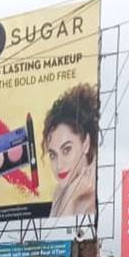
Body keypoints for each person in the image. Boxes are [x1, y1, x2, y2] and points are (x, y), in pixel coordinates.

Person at [43, 83, 99, 218]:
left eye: (66, 150)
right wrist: (70, 195)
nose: (59, 165)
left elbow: (61, 235)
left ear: (86, 143)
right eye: (52, 154)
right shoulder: (60, 191)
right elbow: (52, 238)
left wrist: (71, 198)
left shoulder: (97, 198)